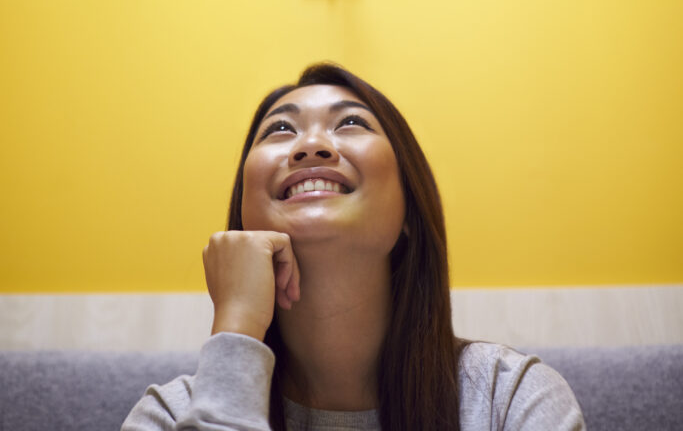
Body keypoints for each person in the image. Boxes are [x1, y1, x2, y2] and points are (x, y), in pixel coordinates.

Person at [122, 62, 586, 431]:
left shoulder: (510, 400)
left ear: (409, 212)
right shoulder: (171, 415)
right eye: (280, 129)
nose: (311, 146)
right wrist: (237, 331)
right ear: (245, 215)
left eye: (349, 123)